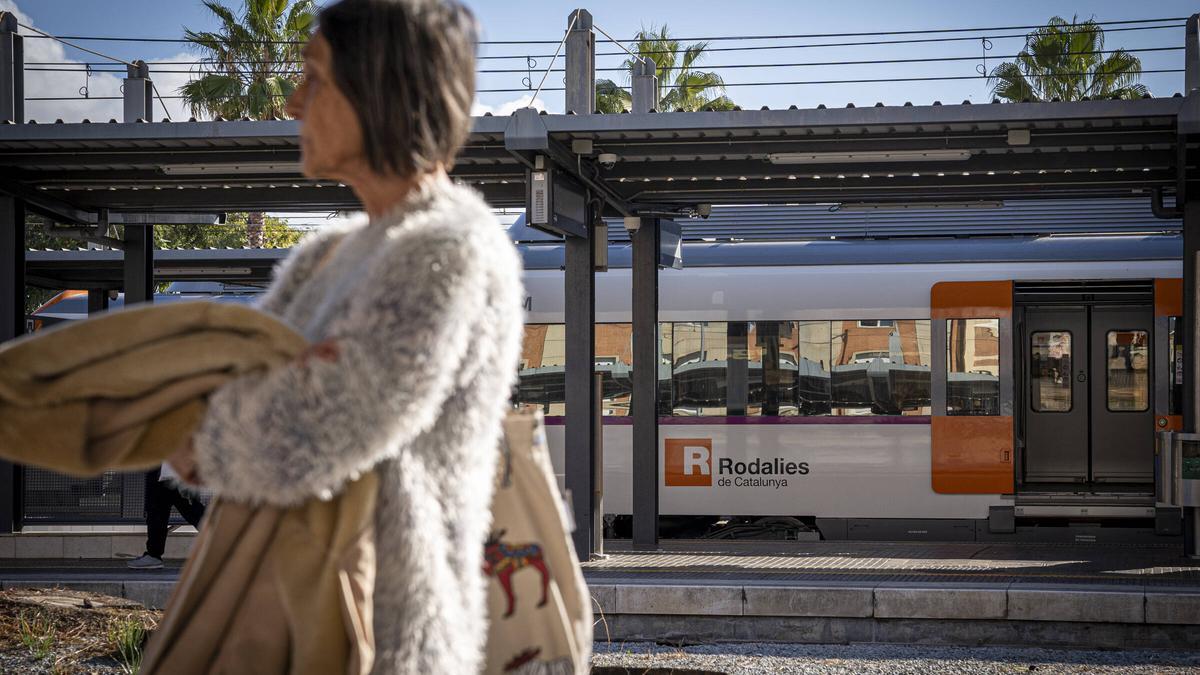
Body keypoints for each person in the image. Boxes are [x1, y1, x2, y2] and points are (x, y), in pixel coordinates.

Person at [166, 0, 525, 671]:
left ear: (378, 90)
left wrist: (211, 432)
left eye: (314, 78)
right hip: (295, 607)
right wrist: (261, 396)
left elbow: (327, 424)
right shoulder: (325, 253)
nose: (293, 103)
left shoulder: (450, 247)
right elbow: (226, 383)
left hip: (382, 633)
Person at [126, 464, 206, 570]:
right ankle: (153, 555)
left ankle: (225, 542)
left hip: (176, 466)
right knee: (157, 511)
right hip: (163, 467)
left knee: (192, 511)